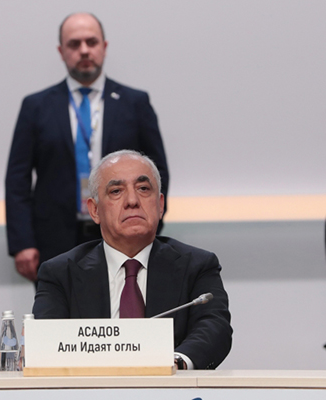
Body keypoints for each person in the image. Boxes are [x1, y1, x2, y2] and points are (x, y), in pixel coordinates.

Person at [6, 13, 169, 282]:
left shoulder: (134, 103)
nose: (84, 50)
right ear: (61, 51)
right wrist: (22, 242)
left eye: (91, 42)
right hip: (54, 239)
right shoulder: (36, 106)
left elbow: (157, 172)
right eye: (74, 44)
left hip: (122, 235)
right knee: (60, 308)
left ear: (104, 47)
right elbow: (17, 179)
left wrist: (148, 226)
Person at [32, 150, 232, 369]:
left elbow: (214, 327)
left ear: (160, 205)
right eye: (116, 191)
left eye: (143, 189)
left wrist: (176, 363)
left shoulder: (197, 265)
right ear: (95, 210)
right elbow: (48, 343)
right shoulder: (60, 274)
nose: (132, 201)